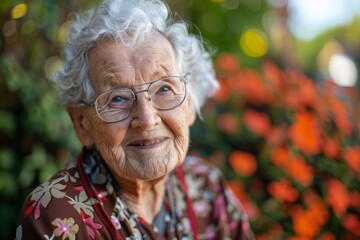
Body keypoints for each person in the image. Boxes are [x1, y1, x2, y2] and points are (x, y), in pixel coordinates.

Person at [16, 0, 254, 239]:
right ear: (81, 123)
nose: (147, 119)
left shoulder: (207, 186)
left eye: (163, 89)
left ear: (189, 103)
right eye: (117, 98)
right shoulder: (57, 216)